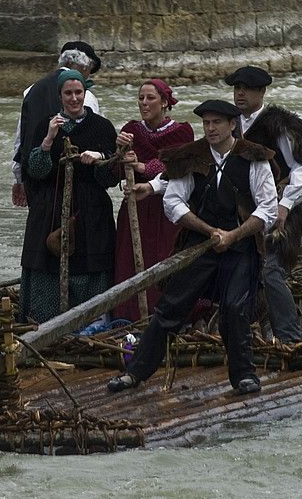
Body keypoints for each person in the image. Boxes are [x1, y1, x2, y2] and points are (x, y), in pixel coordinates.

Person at [108, 100, 281, 396]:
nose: (210, 129)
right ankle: (135, 372)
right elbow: (173, 202)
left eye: (217, 123)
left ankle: (244, 376)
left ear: (232, 125)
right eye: (206, 123)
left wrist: (234, 235)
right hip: (200, 244)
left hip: (240, 246)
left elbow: (268, 209)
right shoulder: (192, 156)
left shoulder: (254, 157)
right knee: (170, 308)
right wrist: (208, 231)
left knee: (235, 308)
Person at [226, 64, 302, 342]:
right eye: (236, 88)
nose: (240, 94)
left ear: (262, 92)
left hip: (283, 212)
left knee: (272, 272)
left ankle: (290, 337)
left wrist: (286, 203)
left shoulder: (279, 124)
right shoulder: (228, 124)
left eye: (246, 89)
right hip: (245, 212)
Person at [19, 69, 119, 322]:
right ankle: (43, 322)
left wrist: (101, 159)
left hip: (91, 209)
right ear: (60, 96)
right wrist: (49, 140)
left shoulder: (102, 126)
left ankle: (92, 322)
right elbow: (35, 171)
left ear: (85, 94)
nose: (74, 98)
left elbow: (112, 176)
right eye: (68, 93)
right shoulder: (47, 125)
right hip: (50, 206)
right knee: (48, 265)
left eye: (79, 93)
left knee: (90, 266)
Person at [111, 78, 194, 320]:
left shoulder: (182, 132)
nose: (144, 103)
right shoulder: (131, 130)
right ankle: (128, 315)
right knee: (130, 260)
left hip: (167, 207)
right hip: (135, 206)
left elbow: (175, 166)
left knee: (164, 258)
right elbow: (115, 172)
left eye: (150, 98)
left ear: (165, 103)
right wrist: (119, 152)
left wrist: (141, 165)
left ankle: (164, 316)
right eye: (140, 98)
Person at [11, 41, 101, 207]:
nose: (87, 77)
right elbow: (94, 140)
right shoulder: (85, 97)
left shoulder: (31, 90)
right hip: (73, 184)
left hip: (35, 181)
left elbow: (21, 138)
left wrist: (19, 180)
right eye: (89, 71)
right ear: (81, 66)